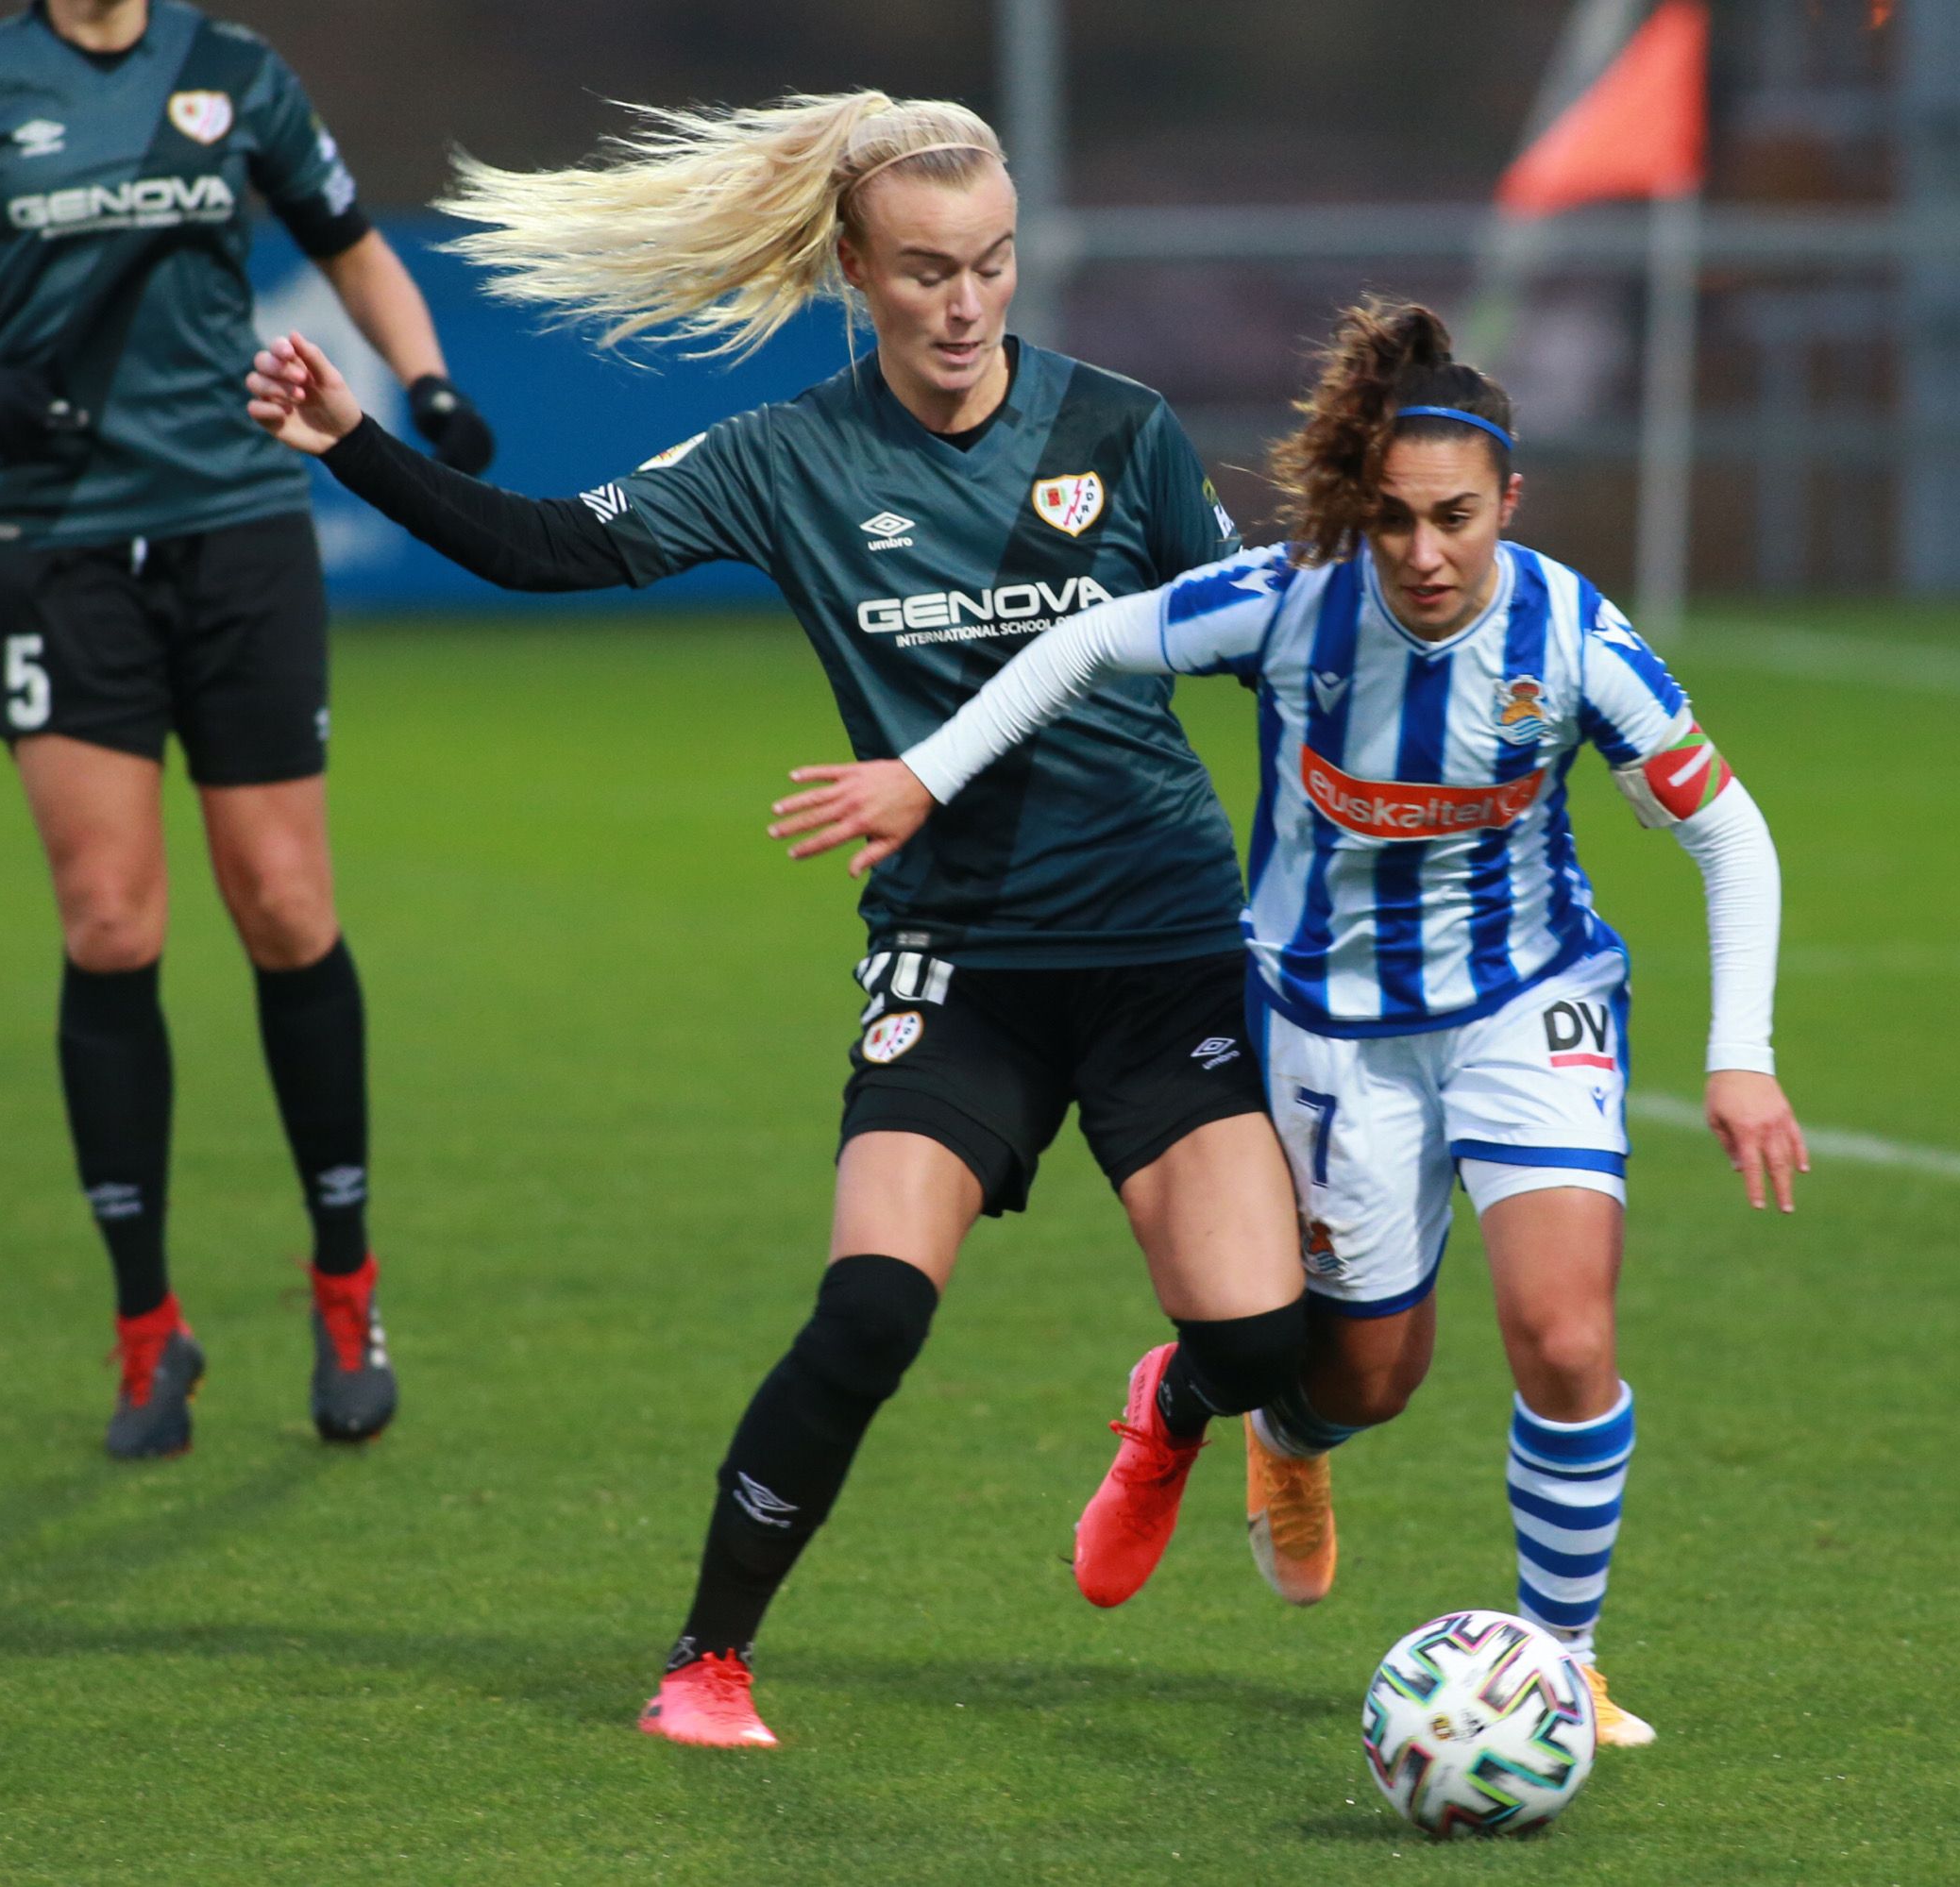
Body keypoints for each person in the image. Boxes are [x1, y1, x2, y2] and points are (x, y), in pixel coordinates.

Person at [241, 92, 1307, 1750]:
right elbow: (547, 549)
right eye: (926, 271)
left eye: (995, 265)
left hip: (1162, 944)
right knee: (872, 1308)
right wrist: (351, 445)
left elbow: (1260, 648)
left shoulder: (1126, 432)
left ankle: (1172, 1406)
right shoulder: (788, 456)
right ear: (854, 274)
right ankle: (707, 1662)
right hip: (957, 963)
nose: (965, 306)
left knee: (1264, 1346)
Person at [770, 299, 1813, 1748]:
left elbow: (1731, 834)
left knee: (1565, 1335)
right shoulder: (1288, 599)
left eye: (1456, 516)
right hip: (1330, 1024)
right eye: (1392, 519)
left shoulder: (1577, 635)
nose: (1426, 553)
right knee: (1365, 1378)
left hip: (1529, 1001)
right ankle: (1248, 1425)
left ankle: (1558, 1672)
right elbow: (1080, 645)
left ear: (1511, 498)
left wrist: (1740, 1056)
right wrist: (927, 775)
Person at [0, 0, 495, 1460]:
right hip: (55, 547)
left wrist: (425, 381)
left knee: (289, 908)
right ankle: (147, 1335)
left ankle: (346, 1287)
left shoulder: (235, 72)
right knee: (112, 926)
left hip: (238, 531)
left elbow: (352, 245)